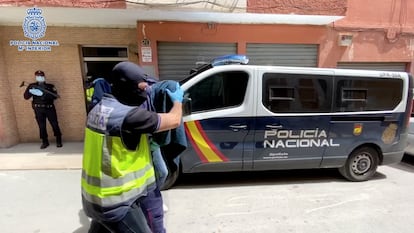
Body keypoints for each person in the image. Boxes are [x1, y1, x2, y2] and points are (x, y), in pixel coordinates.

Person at [82, 61, 184, 233]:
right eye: (143, 88)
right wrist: (177, 102)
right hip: (117, 202)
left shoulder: (98, 109)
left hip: (95, 199)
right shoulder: (129, 116)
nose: (147, 92)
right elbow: (173, 120)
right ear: (127, 87)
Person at [23, 70, 62, 149]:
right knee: (41, 126)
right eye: (38, 76)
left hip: (49, 108)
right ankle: (45, 141)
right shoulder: (32, 86)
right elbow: (26, 97)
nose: (39, 77)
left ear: (44, 76)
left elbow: (55, 96)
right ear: (36, 76)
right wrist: (31, 91)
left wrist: (44, 94)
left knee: (54, 124)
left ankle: (58, 140)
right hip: (38, 109)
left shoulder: (50, 86)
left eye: (41, 76)